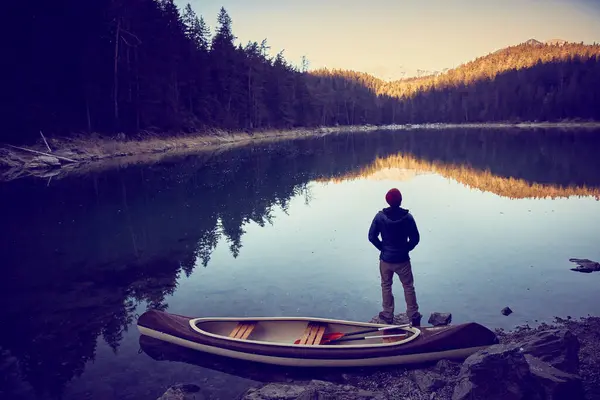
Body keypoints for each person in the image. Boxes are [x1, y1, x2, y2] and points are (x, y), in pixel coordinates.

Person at [368, 188, 422, 326]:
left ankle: (387, 314)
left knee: (386, 286)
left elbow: (371, 237)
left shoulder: (380, 217)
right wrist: (406, 249)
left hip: (386, 260)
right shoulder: (408, 217)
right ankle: (413, 315)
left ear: (387, 201)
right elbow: (415, 238)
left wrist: (383, 248)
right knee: (408, 286)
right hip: (402, 260)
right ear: (400, 200)